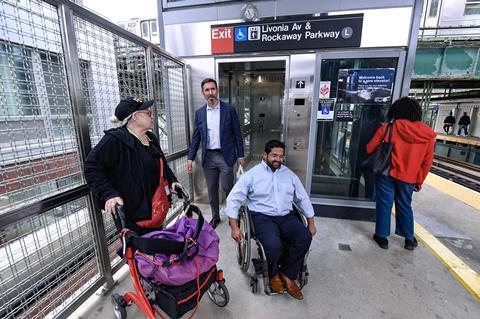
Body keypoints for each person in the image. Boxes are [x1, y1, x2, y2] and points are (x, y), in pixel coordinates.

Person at [225, 140, 317, 300]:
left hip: (286, 216)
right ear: (265, 155)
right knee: (274, 245)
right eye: (274, 155)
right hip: (262, 217)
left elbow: (302, 198)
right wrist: (234, 227)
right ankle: (274, 274)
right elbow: (234, 199)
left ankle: (287, 274)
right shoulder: (252, 175)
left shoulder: (289, 175)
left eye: (281, 156)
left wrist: (311, 223)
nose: (278, 159)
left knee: (304, 237)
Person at [84, 97, 181, 235]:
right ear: (135, 116)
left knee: (155, 250)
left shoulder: (150, 138)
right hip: (134, 215)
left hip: (155, 207)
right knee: (140, 254)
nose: (152, 116)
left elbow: (162, 164)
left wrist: (172, 181)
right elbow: (91, 167)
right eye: (148, 113)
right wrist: (109, 194)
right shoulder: (115, 140)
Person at [367, 97, 436, 251]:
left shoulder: (387, 129)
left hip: (386, 174)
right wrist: (419, 181)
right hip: (409, 178)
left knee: (384, 204)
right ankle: (409, 239)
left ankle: (382, 237)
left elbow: (369, 149)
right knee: (405, 205)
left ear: (396, 111)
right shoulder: (428, 135)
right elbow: (427, 162)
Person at [187, 78, 245, 228]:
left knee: (227, 187)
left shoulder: (229, 110)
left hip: (226, 156)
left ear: (217, 91)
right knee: (212, 190)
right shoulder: (200, 113)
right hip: (208, 158)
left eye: (213, 89)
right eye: (207, 90)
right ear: (203, 93)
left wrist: (240, 155)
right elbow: (196, 138)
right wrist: (190, 158)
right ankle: (215, 216)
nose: (210, 92)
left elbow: (237, 133)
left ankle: (235, 214)